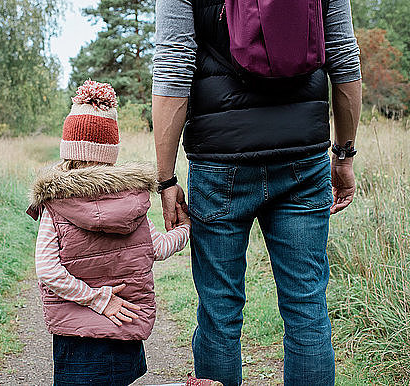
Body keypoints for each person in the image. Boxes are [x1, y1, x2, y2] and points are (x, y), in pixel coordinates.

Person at [152, 0, 362, 385]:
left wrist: (166, 180)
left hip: (219, 162)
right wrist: (344, 154)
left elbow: (173, 63)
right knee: (306, 307)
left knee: (218, 311)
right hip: (302, 158)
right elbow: (345, 57)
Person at [26, 80, 193, 386]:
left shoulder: (55, 205)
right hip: (123, 325)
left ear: (69, 151)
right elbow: (156, 247)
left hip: (76, 335)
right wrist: (185, 229)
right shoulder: (132, 200)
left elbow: (48, 271)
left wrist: (96, 299)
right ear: (111, 153)